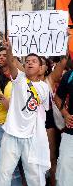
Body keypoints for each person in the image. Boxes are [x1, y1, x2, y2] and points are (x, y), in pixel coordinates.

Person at [0, 39, 50, 186]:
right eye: (27, 61)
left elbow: (43, 112)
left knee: (34, 176)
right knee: (4, 173)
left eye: (34, 61)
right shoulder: (19, 78)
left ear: (40, 68)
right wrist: (9, 50)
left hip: (32, 137)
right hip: (11, 134)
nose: (30, 63)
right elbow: (12, 63)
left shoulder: (45, 88)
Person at [38, 56, 68, 186]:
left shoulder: (49, 80)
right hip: (29, 125)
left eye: (42, 63)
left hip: (47, 124)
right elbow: (14, 62)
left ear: (46, 67)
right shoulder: (24, 80)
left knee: (51, 158)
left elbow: (63, 62)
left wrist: (68, 43)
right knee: (33, 161)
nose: (38, 65)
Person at [54, 68, 73, 186]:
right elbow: (58, 97)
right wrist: (65, 114)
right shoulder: (70, 75)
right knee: (65, 169)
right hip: (70, 131)